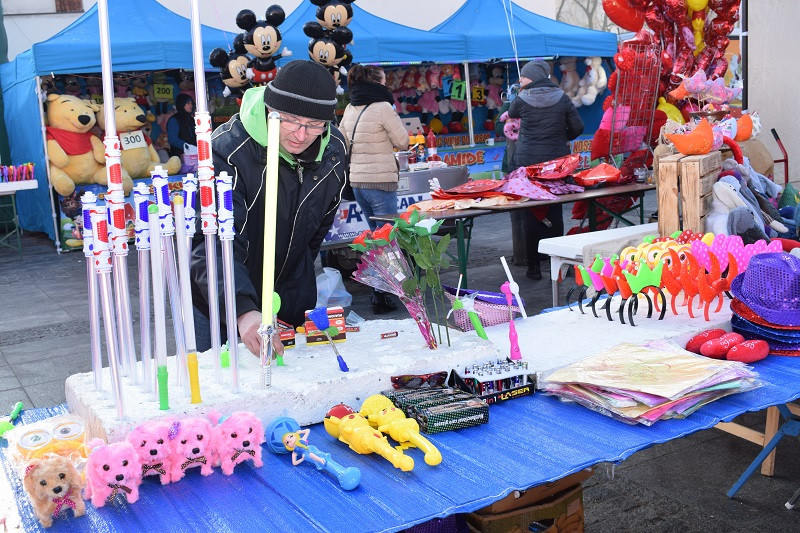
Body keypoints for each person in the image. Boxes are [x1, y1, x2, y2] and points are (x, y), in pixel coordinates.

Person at [190, 60, 346, 357]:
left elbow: (317, 230)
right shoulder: (226, 151)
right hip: (224, 300)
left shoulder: (334, 151)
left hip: (289, 295)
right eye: (290, 120)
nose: (301, 135)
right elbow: (210, 242)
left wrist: (296, 280)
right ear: (270, 110)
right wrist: (243, 309)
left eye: (314, 125)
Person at [339, 64, 409, 314]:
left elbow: (341, 141)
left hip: (358, 182)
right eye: (384, 82)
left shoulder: (349, 108)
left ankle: (381, 290)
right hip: (380, 181)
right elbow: (403, 141)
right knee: (388, 239)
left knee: (375, 238)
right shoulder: (383, 108)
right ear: (377, 83)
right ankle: (384, 293)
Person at [508, 60, 584, 280]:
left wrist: (520, 91)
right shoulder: (562, 97)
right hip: (556, 165)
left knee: (532, 213)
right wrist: (562, 138)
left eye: (523, 77)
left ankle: (534, 266)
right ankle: (558, 264)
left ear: (531, 77)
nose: (521, 80)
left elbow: (512, 111)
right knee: (554, 210)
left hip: (528, 165)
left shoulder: (521, 99)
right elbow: (578, 127)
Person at [167, 93, 198, 158]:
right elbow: (173, 140)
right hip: (179, 156)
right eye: (188, 103)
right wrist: (188, 147)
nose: (191, 105)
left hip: (194, 155)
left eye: (191, 103)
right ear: (181, 104)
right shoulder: (174, 120)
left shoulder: (192, 119)